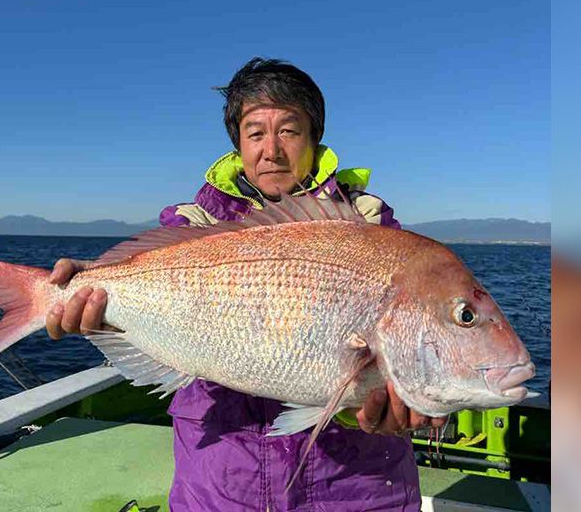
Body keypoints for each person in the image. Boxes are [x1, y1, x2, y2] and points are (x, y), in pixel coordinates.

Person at [46, 58, 445, 511]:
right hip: (221, 484)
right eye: (255, 133)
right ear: (238, 145)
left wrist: (395, 404)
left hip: (356, 488)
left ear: (315, 139)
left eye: (289, 131)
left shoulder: (367, 223)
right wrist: (90, 283)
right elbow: (144, 282)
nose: (271, 150)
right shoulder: (194, 224)